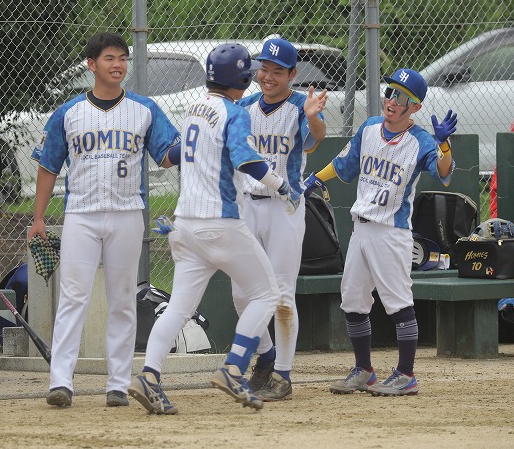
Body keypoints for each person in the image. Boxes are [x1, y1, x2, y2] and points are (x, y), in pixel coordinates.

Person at [129, 43, 301, 414]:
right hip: (220, 222)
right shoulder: (235, 112)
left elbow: (176, 154)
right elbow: (246, 160)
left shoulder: (195, 106)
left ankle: (148, 375)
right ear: (242, 78)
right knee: (267, 295)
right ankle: (233, 368)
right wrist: (280, 185)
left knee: (179, 308)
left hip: (184, 225)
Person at [28, 32, 181, 408]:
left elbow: (166, 156)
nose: (118, 65)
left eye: (123, 58)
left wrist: (193, 141)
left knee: (123, 300)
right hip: (81, 214)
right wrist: (38, 218)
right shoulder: (69, 113)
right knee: (73, 297)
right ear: (92, 64)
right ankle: (60, 382)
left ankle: (118, 384)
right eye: (110, 58)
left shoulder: (144, 109)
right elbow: (48, 166)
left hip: (127, 213)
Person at [303, 68, 456, 396]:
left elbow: (444, 172)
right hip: (361, 227)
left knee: (398, 303)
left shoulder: (421, 141)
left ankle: (406, 374)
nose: (392, 101)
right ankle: (364, 370)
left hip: (391, 231)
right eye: (390, 92)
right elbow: (345, 164)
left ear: (415, 107)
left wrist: (444, 144)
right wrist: (315, 179)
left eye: (402, 97)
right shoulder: (370, 127)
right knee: (352, 300)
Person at [234, 38, 327, 401]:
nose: (268, 77)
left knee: (282, 296)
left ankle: (284, 376)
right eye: (264, 69)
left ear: (292, 74)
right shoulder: (244, 107)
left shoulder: (300, 106)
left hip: (284, 208)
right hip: (247, 205)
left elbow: (316, 138)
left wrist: (313, 116)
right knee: (242, 293)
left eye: (277, 71)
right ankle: (266, 356)